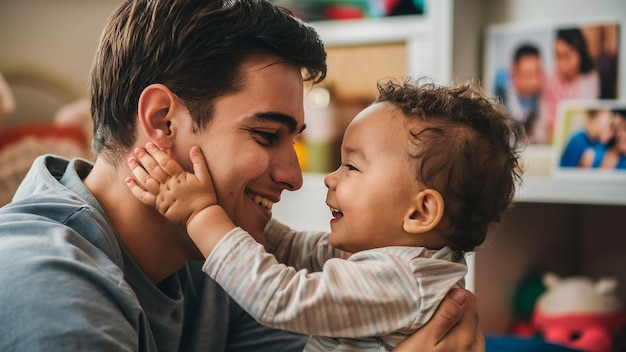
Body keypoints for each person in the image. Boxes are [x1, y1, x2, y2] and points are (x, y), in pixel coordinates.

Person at [0, 1, 483, 351]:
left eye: (294, 139)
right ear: (163, 122)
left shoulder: (208, 258)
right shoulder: (52, 291)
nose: (296, 177)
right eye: (266, 134)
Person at [127, 78, 523, 351]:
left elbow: (277, 297)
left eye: (351, 167)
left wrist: (202, 212)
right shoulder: (393, 259)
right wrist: (230, 210)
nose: (328, 179)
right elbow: (295, 249)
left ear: (420, 212)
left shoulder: (401, 280)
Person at [537, 27, 600, 144]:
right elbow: (543, 119)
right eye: (557, 56)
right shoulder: (551, 77)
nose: (561, 64)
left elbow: (583, 120)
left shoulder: (590, 78)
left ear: (580, 53)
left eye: (567, 56)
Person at [495, 43, 543, 140]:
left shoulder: (541, 96)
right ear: (514, 73)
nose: (535, 81)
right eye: (529, 75)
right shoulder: (500, 96)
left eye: (538, 73)